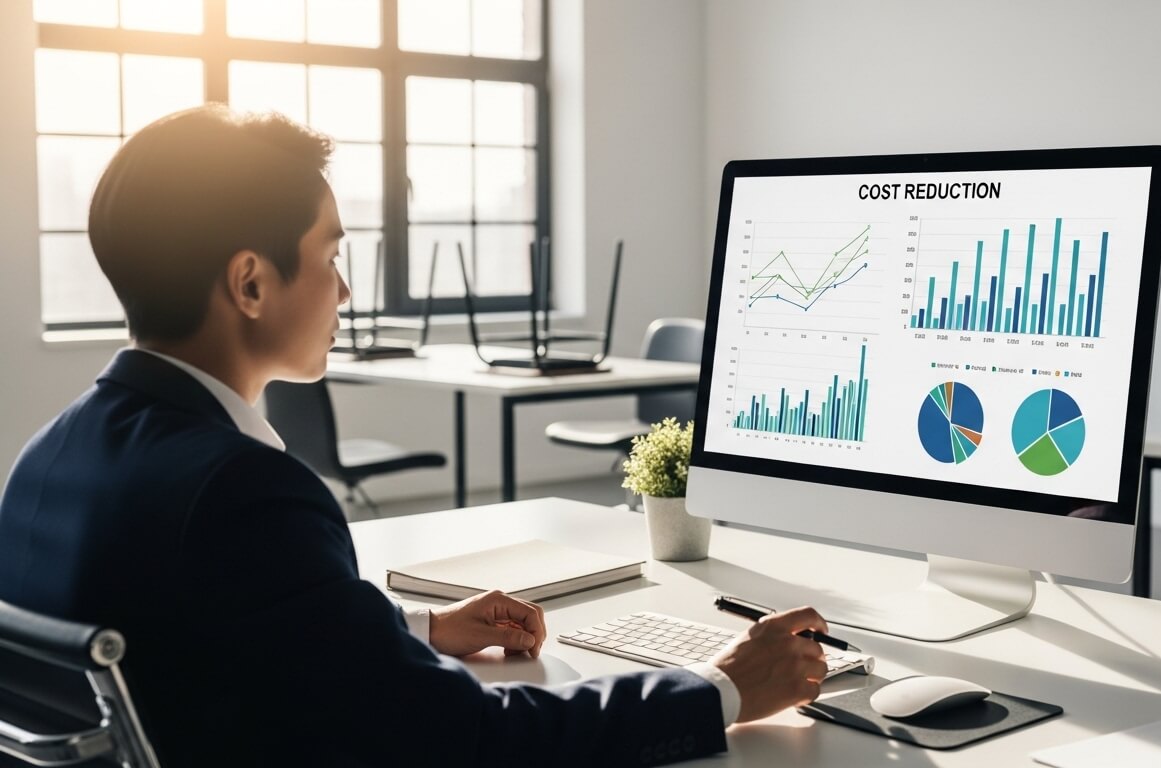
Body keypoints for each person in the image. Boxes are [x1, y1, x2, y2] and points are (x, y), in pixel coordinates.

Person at [0, 105, 830, 767]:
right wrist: (717, 688)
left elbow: (216, 629)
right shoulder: (242, 492)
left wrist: (416, 628)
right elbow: (466, 740)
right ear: (250, 282)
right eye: (332, 257)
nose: (347, 290)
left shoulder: (49, 456)